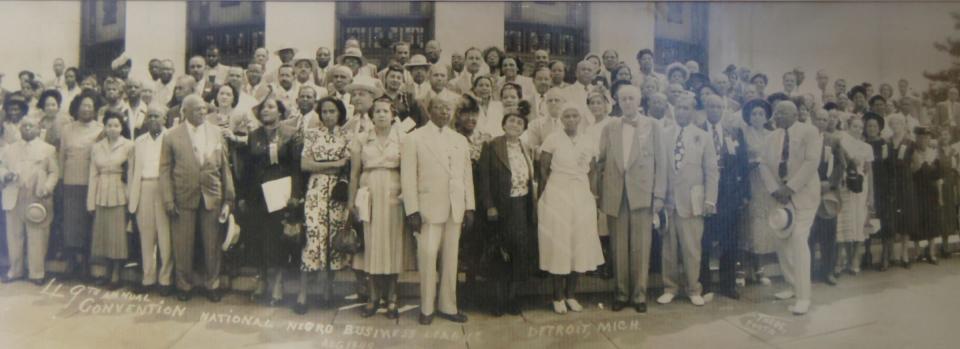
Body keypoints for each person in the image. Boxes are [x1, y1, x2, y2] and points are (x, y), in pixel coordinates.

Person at [401, 97, 475, 325]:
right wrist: (412, 210)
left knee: (451, 260)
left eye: (448, 109)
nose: (444, 112)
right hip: (427, 209)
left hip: (455, 207)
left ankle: (448, 306)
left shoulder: (460, 140)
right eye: (439, 108)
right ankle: (426, 308)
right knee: (427, 257)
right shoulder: (414, 138)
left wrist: (469, 206)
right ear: (429, 110)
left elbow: (466, 176)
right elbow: (408, 177)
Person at [598, 85, 667, 313]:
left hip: (642, 194)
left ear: (639, 102)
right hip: (616, 193)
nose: (627, 102)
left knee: (641, 246)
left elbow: (661, 164)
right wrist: (601, 194)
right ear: (618, 102)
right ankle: (620, 293)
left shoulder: (653, 126)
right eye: (623, 99)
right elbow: (602, 161)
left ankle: (639, 295)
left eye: (631, 99)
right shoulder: (610, 126)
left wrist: (658, 195)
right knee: (618, 247)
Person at [159, 94, 235, 302]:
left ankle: (213, 284)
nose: (202, 112)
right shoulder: (171, 136)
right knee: (182, 245)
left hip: (212, 195)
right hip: (182, 196)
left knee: (212, 244)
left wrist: (228, 200)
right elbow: (165, 171)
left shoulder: (216, 132)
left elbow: (225, 168)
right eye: (196, 110)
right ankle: (183, 285)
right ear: (185, 112)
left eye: (204, 109)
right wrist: (168, 199)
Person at [537, 103, 603, 314]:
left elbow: (592, 169)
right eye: (567, 116)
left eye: (575, 115)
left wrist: (591, 193)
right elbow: (543, 169)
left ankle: (571, 294)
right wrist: (551, 193)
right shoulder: (553, 139)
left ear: (581, 118)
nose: (571, 119)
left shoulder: (588, 140)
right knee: (560, 242)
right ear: (562, 119)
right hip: (558, 193)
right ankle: (557, 296)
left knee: (578, 243)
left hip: (581, 194)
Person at [759, 101, 822, 315]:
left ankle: (804, 297)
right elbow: (763, 164)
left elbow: (811, 163)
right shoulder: (770, 137)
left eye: (781, 113)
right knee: (781, 240)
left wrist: (790, 187)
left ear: (794, 114)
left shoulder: (809, 132)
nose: (776, 116)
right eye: (776, 113)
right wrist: (774, 189)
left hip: (804, 196)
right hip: (779, 197)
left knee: (798, 240)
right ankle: (792, 285)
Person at [240, 95, 302, 306]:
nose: (265, 110)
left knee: (278, 239)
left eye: (270, 107)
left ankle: (278, 282)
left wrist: (295, 195)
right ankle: (262, 280)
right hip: (258, 195)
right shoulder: (254, 136)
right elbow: (247, 169)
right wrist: (244, 196)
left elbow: (296, 167)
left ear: (280, 111)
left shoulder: (289, 134)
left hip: (281, 193)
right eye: (262, 108)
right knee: (258, 237)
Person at [657, 95, 719, 306]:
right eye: (678, 108)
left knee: (692, 248)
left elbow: (711, 171)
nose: (681, 112)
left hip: (693, 202)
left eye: (686, 108)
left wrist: (710, 200)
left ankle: (694, 289)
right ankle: (670, 287)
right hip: (668, 201)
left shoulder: (703, 137)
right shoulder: (663, 135)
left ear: (693, 111)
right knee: (669, 248)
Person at [347, 97, 405, 319]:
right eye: (377, 111)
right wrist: (350, 202)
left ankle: (392, 298)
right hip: (368, 194)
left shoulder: (402, 138)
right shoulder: (361, 139)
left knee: (393, 245)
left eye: (386, 111)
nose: (381, 114)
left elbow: (408, 169)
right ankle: (373, 298)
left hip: (393, 194)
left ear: (393, 115)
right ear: (371, 116)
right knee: (370, 246)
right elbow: (354, 173)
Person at [477, 109, 537, 316]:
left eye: (520, 123)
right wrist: (489, 206)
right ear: (503, 124)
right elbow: (483, 180)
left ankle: (513, 299)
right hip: (500, 208)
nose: (515, 125)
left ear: (523, 129)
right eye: (511, 121)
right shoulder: (492, 146)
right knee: (500, 255)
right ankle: (498, 301)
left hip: (521, 206)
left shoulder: (526, 148)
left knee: (519, 254)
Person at [297, 96, 353, 314]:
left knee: (332, 240)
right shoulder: (312, 134)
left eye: (332, 111)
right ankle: (302, 294)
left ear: (339, 113)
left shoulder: (346, 136)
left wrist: (321, 165)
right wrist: (333, 164)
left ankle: (327, 291)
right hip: (316, 192)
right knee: (312, 238)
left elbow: (345, 166)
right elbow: (304, 164)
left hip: (337, 193)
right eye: (325, 112)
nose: (328, 115)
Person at [700, 95, 749, 300]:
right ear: (705, 107)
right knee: (704, 241)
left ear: (724, 109)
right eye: (711, 105)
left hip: (730, 196)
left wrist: (745, 194)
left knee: (730, 241)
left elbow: (743, 165)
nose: (715, 109)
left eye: (719, 106)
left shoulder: (734, 132)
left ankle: (728, 285)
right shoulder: (697, 131)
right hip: (704, 195)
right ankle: (704, 285)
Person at [0, 118, 59, 285]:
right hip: (14, 194)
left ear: (38, 128)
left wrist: (47, 188)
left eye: (30, 125)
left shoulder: (48, 149)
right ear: (20, 128)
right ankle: (15, 270)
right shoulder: (9, 149)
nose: (27, 128)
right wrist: (5, 175)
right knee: (14, 234)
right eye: (24, 126)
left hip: (36, 196)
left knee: (37, 235)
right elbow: (1, 166)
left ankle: (37, 272)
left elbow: (54, 173)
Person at [127, 106, 174, 296]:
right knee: (146, 235)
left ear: (164, 119)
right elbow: (132, 170)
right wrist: (132, 195)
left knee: (165, 236)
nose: (154, 119)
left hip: (164, 188)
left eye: (158, 115)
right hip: (144, 187)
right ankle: (148, 278)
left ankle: (165, 280)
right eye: (150, 116)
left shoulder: (171, 138)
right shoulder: (139, 141)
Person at [59, 89, 104, 280]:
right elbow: (61, 157)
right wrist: (61, 180)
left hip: (90, 184)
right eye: (83, 105)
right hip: (70, 183)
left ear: (95, 109)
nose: (86, 109)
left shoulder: (100, 129)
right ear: (77, 108)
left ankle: (86, 263)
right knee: (70, 224)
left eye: (90, 106)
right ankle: (72, 262)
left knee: (87, 224)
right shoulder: (67, 129)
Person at [87, 110, 134, 289]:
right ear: (104, 127)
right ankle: (105, 271)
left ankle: (116, 273)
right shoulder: (97, 147)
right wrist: (90, 201)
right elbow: (93, 175)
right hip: (101, 192)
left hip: (119, 193)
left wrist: (131, 200)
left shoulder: (129, 146)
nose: (112, 129)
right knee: (103, 234)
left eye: (116, 125)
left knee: (117, 235)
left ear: (121, 127)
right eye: (109, 125)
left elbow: (130, 174)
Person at [739, 99, 778, 285]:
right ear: (748, 116)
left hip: (767, 183)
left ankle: (760, 268)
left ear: (766, 116)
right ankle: (744, 269)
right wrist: (754, 161)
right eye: (754, 113)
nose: (757, 117)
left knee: (763, 225)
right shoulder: (743, 133)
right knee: (750, 224)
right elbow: (740, 158)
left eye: (761, 114)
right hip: (751, 180)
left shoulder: (772, 135)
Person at [808, 109, 846, 286]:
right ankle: (806, 272)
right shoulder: (805, 139)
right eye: (819, 118)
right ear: (812, 119)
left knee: (828, 234)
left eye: (825, 119)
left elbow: (840, 165)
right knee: (809, 234)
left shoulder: (833, 140)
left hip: (827, 193)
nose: (822, 122)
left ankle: (827, 271)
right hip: (807, 193)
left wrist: (830, 183)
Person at [834, 117, 874, 276]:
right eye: (855, 126)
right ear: (848, 126)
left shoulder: (867, 147)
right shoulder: (841, 140)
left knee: (858, 222)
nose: (858, 129)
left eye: (860, 127)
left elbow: (869, 171)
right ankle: (839, 260)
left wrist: (871, 194)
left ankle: (855, 259)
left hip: (860, 188)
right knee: (843, 222)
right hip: (844, 186)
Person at [882, 114, 919, 269]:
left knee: (905, 220)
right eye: (893, 123)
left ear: (904, 124)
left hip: (905, 186)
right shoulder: (887, 143)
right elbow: (884, 163)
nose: (896, 125)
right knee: (890, 221)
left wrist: (906, 175)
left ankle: (904, 255)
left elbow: (916, 165)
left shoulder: (910, 143)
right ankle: (887, 257)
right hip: (891, 187)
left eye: (899, 122)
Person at [911, 127, 942, 264]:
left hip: (931, 192)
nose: (923, 140)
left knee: (932, 221)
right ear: (916, 139)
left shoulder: (934, 154)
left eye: (926, 137)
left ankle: (931, 253)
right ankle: (917, 252)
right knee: (917, 220)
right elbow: (910, 173)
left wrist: (940, 196)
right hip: (917, 191)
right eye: (920, 137)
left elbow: (938, 177)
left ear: (929, 139)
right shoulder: (912, 153)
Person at [863, 113, 890, 270]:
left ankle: (885, 257)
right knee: (867, 222)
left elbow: (889, 168)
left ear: (879, 128)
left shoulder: (884, 145)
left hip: (883, 188)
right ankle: (867, 254)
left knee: (885, 222)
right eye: (869, 126)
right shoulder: (862, 144)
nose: (871, 128)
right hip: (867, 188)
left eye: (874, 126)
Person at [938, 128, 959, 259]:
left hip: (954, 184)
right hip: (942, 184)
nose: (944, 136)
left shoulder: (955, 151)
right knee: (944, 214)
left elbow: (956, 170)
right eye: (942, 134)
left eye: (946, 134)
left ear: (950, 136)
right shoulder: (936, 152)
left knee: (955, 214)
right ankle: (944, 245)